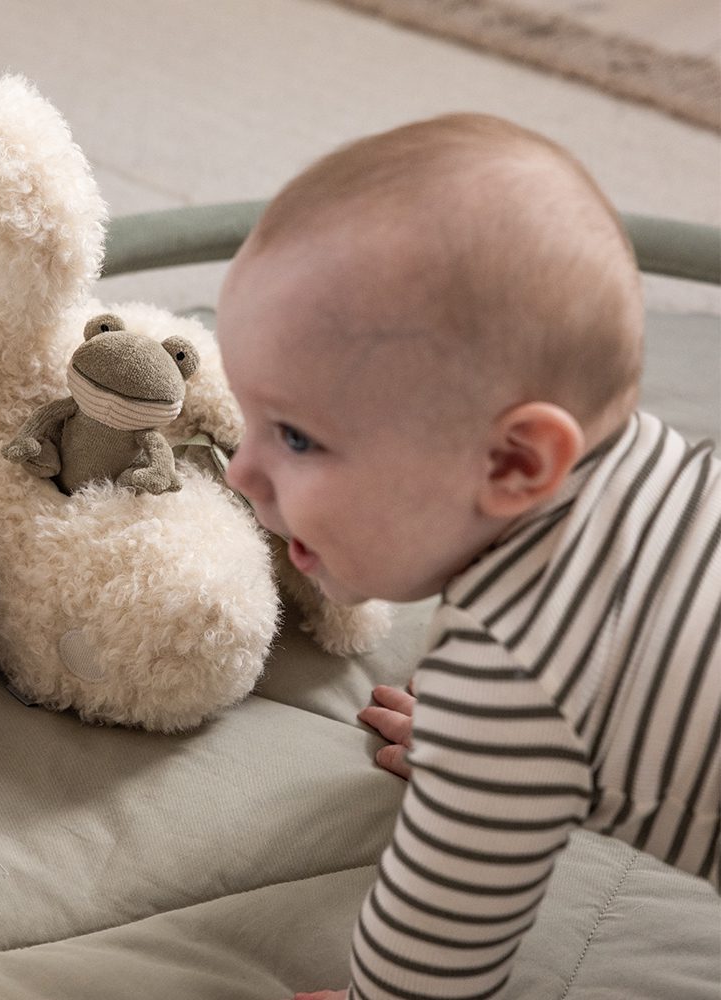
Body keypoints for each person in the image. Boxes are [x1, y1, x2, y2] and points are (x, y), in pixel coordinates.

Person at [214, 113, 720, 1000]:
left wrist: (484, 743)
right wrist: (483, 754)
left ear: (515, 463)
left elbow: (438, 942)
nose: (240, 471)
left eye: (296, 437)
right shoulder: (664, 472)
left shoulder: (507, 672)